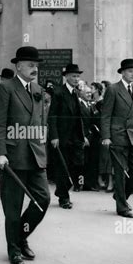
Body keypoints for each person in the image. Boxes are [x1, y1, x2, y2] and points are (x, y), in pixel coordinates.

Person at [0, 46, 50, 264]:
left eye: (36, 65)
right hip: (13, 157)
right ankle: (14, 249)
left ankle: (20, 236)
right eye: (30, 65)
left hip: (36, 156)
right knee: (13, 207)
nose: (35, 69)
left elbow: (42, 123)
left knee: (42, 200)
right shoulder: (5, 89)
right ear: (18, 66)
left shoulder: (39, 90)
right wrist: (0, 153)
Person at [101, 59, 133, 218]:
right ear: (122, 73)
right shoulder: (113, 89)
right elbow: (105, 115)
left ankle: (121, 196)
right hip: (118, 135)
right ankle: (122, 207)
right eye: (129, 71)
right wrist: (106, 136)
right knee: (119, 172)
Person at [48, 63, 87, 208]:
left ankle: (62, 191)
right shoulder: (59, 93)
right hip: (62, 137)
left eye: (78, 76)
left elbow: (78, 117)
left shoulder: (75, 93)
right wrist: (54, 136)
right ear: (66, 77)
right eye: (74, 76)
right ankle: (63, 197)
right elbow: (52, 116)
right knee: (62, 167)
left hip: (75, 138)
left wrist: (82, 136)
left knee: (75, 165)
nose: (76, 79)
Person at [79, 85, 100, 191]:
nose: (89, 94)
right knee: (82, 162)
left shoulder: (91, 105)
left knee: (91, 161)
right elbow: (79, 122)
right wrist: (83, 137)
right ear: (81, 93)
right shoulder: (78, 105)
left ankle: (90, 183)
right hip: (83, 136)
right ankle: (79, 183)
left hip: (92, 137)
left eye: (89, 92)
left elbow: (95, 120)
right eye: (86, 92)